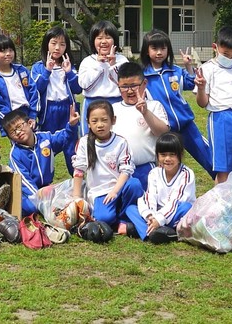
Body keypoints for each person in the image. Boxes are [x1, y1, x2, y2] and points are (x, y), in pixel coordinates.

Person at [139, 29, 213, 177]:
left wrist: (188, 67)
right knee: (167, 166)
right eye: (154, 48)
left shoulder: (175, 71)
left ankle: (222, 184)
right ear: (146, 51)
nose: (159, 52)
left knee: (209, 158)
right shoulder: (143, 77)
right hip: (164, 131)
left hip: (186, 125)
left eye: (163, 48)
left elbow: (191, 82)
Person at [72, 99, 143, 234]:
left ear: (113, 120)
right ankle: (116, 217)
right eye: (94, 121)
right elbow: (79, 169)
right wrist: (76, 197)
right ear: (88, 123)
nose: (100, 125)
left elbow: (125, 170)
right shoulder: (84, 142)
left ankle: (123, 220)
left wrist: (115, 191)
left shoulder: (121, 142)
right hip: (100, 193)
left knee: (135, 184)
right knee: (104, 218)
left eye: (104, 120)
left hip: (119, 188)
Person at [195, 25, 232, 183]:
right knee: (223, 165)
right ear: (215, 47)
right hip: (221, 119)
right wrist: (200, 88)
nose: (230, 57)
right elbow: (202, 103)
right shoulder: (207, 69)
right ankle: (221, 200)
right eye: (226, 54)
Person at [5, 106, 80, 217]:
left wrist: (72, 125)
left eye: (20, 126)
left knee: (76, 185)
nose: (18, 132)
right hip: (29, 193)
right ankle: (52, 206)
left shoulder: (45, 138)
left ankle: (53, 204)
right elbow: (24, 181)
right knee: (31, 207)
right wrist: (40, 196)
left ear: (30, 123)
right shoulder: (15, 154)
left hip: (48, 187)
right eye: (13, 132)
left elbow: (64, 137)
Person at [123, 132, 196, 243]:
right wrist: (150, 215)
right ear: (157, 156)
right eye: (163, 155)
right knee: (131, 209)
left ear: (180, 155)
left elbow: (175, 202)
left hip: (175, 212)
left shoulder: (186, 174)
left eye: (172, 155)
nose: (167, 159)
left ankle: (158, 230)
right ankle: (152, 232)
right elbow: (150, 196)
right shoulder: (154, 173)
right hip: (157, 212)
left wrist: (159, 219)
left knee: (186, 207)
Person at [31, 26, 82, 173]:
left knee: (71, 148)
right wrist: (47, 71)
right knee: (46, 148)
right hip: (48, 113)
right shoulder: (38, 67)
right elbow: (36, 90)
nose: (57, 48)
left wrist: (69, 73)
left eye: (62, 44)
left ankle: (78, 183)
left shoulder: (69, 66)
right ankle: (43, 183)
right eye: (54, 43)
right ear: (46, 44)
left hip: (67, 110)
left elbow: (78, 89)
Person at [112, 61, 170, 190]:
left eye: (134, 85)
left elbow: (163, 133)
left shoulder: (154, 106)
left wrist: (145, 112)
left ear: (144, 83)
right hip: (118, 171)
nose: (130, 90)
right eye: (124, 86)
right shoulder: (113, 109)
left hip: (145, 168)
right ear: (118, 86)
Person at [77, 20, 129, 132]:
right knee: (90, 140)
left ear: (114, 40)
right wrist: (99, 65)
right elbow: (85, 85)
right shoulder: (88, 61)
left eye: (108, 37)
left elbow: (125, 85)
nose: (104, 41)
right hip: (92, 103)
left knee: (118, 138)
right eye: (99, 38)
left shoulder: (122, 60)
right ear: (93, 41)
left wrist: (113, 66)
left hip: (117, 103)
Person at [0, 34, 38, 136]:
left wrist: (32, 116)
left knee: (34, 144)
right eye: (3, 51)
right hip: (10, 119)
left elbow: (34, 92)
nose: (8, 54)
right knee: (20, 147)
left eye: (10, 50)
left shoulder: (22, 70)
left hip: (28, 114)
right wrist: (12, 122)